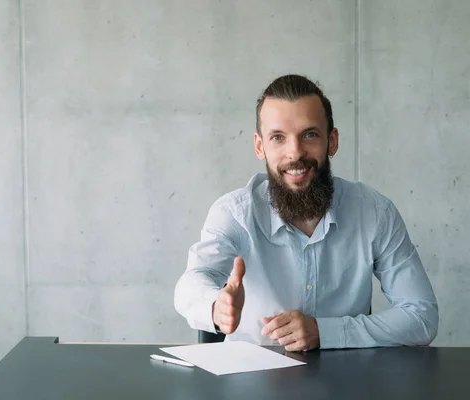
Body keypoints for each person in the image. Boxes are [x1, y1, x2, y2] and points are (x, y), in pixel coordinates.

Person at [174, 74, 438, 351]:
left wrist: (326, 332)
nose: (295, 152)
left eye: (309, 135)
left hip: (347, 383)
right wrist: (216, 306)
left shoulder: (375, 213)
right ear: (259, 146)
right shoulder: (234, 213)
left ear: (332, 141)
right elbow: (192, 281)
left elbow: (422, 316)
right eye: (278, 137)